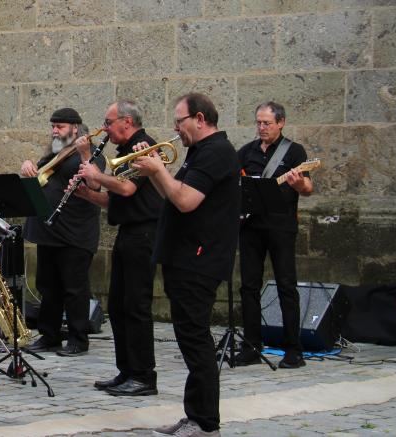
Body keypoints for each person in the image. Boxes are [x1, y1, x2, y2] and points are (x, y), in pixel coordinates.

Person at [132, 93, 239, 437]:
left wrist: (158, 169)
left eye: (180, 121)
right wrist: (153, 174)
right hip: (185, 257)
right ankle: (195, 415)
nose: (176, 129)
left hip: (199, 259)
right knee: (190, 338)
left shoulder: (216, 152)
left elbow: (186, 200)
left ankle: (206, 423)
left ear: (200, 119)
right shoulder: (201, 152)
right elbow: (174, 195)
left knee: (196, 340)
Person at [72, 100, 163, 396]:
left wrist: (96, 175)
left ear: (126, 121)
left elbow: (127, 188)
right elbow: (116, 200)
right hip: (128, 231)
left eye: (109, 122)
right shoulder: (124, 151)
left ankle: (144, 375)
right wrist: (88, 195)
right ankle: (127, 371)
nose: (106, 128)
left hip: (144, 233)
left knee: (136, 306)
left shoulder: (144, 146)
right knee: (119, 307)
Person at [19, 108, 104, 357]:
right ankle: (50, 335)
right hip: (49, 232)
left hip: (75, 233)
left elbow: (95, 184)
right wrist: (28, 167)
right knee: (48, 286)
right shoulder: (53, 155)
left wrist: (86, 151)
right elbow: (40, 178)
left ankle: (78, 339)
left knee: (74, 288)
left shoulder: (91, 153)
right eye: (53, 126)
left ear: (76, 128)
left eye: (61, 126)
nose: (55, 130)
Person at [235, 101, 314, 369]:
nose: (262, 127)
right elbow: (234, 182)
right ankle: (251, 346)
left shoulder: (294, 152)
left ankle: (294, 349)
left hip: (281, 228)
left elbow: (308, 189)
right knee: (248, 287)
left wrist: (299, 182)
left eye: (267, 123)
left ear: (280, 122)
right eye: (258, 122)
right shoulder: (246, 152)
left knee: (286, 286)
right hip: (250, 227)